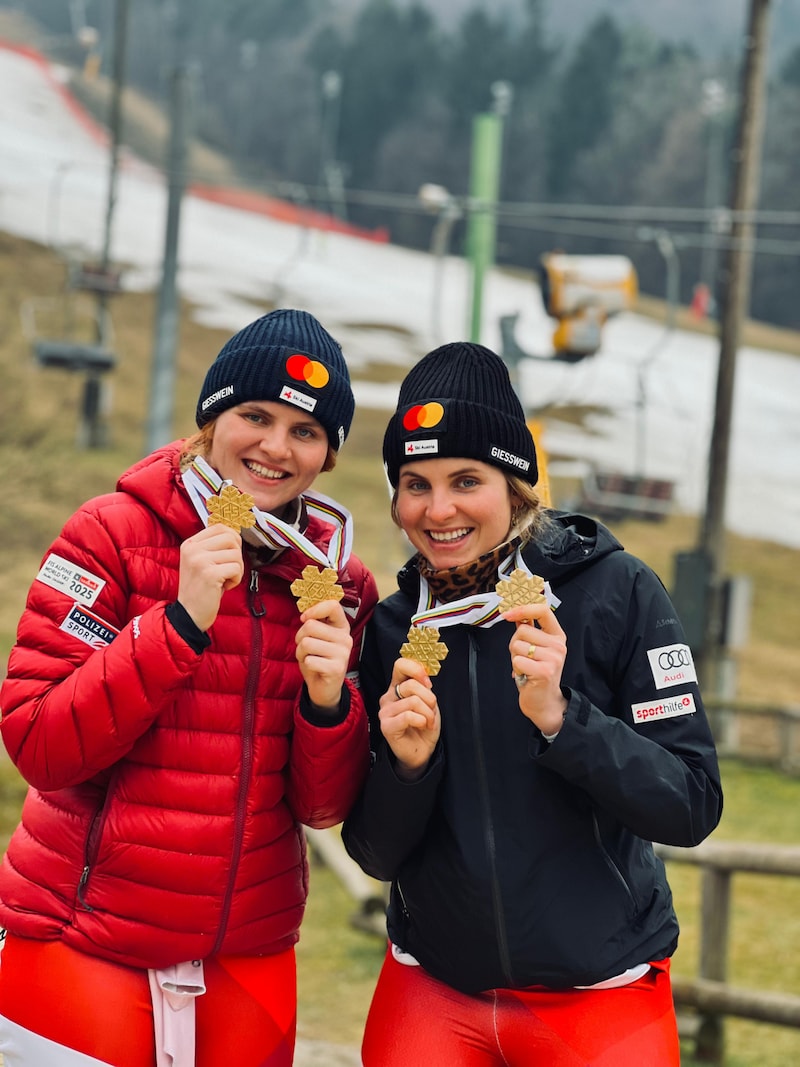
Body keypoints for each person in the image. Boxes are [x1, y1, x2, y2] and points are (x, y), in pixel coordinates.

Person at [0, 309, 378, 1067]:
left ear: (327, 456)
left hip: (250, 953)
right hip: (83, 937)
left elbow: (321, 806)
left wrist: (328, 701)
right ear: (211, 419)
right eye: (255, 415)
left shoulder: (337, 585)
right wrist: (177, 623)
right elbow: (37, 743)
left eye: (306, 431)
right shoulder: (108, 533)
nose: (275, 446)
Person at [342, 341, 723, 1067]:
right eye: (414, 483)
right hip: (435, 987)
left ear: (517, 486)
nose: (439, 508)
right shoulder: (395, 626)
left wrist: (563, 718)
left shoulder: (617, 592)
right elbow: (375, 852)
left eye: (465, 479)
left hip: (600, 992)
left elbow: (691, 803)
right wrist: (408, 768)